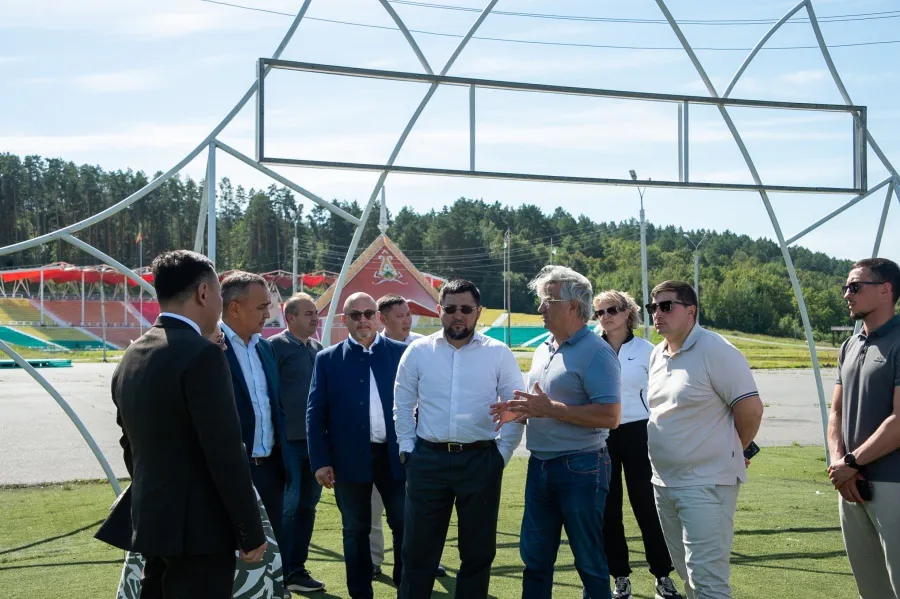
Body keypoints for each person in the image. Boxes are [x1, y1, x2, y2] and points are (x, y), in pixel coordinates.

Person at [102, 250, 266, 598]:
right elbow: (224, 452)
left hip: (153, 520)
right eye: (220, 294)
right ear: (204, 293)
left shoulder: (133, 354)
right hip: (200, 532)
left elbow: (129, 445)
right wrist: (250, 531)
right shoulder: (202, 355)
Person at [496, 266, 621, 599]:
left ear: (572, 307)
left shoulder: (598, 352)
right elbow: (541, 404)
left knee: (589, 561)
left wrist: (549, 409)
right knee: (534, 558)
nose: (540, 309)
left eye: (547, 301)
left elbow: (610, 416)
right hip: (540, 465)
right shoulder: (544, 349)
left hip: (581, 467)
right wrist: (515, 410)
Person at [395, 279, 524, 599]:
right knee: (417, 553)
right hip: (427, 461)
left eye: (466, 309)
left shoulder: (498, 353)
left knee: (478, 553)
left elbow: (516, 407)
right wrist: (407, 451)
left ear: (478, 312)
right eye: (450, 309)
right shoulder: (418, 351)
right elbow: (402, 404)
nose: (458, 315)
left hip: (480, 461)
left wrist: (501, 454)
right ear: (439, 310)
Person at [646, 280, 764, 599]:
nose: (657, 313)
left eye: (666, 306)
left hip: (707, 483)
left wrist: (734, 449)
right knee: (686, 573)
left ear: (691, 311)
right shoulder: (657, 354)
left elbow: (751, 410)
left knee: (708, 580)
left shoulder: (717, 350)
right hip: (664, 483)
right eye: (652, 307)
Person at [307, 292, 408, 599]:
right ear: (344, 320)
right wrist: (320, 461)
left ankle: (407, 586)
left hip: (396, 457)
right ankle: (360, 593)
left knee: (405, 524)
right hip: (349, 459)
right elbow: (315, 412)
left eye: (368, 313)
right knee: (355, 529)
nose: (362, 320)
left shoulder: (402, 353)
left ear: (378, 315)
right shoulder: (327, 359)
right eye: (355, 315)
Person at [593, 290, 682, 599]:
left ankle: (663, 576)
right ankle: (620, 578)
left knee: (647, 507)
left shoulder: (648, 350)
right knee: (608, 510)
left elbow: (664, 396)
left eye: (612, 310)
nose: (606, 316)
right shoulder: (592, 350)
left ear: (627, 312)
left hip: (639, 435)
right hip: (601, 436)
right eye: (600, 312)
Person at [826, 257, 900, 599]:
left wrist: (850, 463)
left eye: (855, 286)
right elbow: (836, 412)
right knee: (871, 589)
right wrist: (841, 466)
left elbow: (899, 421)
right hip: (851, 485)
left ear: (886, 290)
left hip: (892, 483)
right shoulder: (850, 344)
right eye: (845, 287)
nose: (846, 295)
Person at [369, 294, 447, 580]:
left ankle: (425, 559)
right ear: (383, 318)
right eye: (399, 315)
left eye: (407, 313)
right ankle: (373, 560)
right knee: (374, 507)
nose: (406, 319)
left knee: (423, 507)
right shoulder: (372, 349)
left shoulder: (423, 346)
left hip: (423, 440)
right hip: (381, 441)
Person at [220, 272, 289, 553]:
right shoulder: (210, 348)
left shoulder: (265, 347)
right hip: (232, 472)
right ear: (234, 308)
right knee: (232, 552)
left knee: (272, 550)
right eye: (261, 307)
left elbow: (275, 406)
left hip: (270, 469)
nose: (268, 313)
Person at [270, 293, 326, 593]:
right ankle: (278, 572)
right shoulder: (275, 347)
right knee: (288, 508)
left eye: (315, 313)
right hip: (288, 444)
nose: (314, 318)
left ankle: (297, 569)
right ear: (289, 317)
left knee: (308, 507)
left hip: (314, 445)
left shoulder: (318, 349)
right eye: (308, 313)